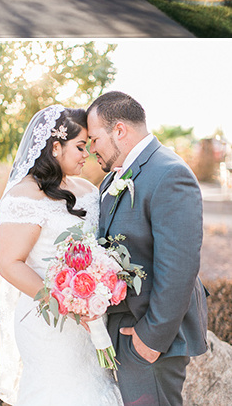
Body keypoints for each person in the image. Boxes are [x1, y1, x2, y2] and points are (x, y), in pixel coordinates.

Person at [0, 105, 122, 406]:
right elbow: (10, 265)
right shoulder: (23, 196)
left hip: (91, 317)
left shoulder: (88, 190)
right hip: (48, 323)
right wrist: (68, 303)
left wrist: (97, 291)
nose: (86, 154)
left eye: (88, 146)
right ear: (55, 146)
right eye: (79, 146)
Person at [87, 91, 208, 406]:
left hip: (150, 337)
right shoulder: (111, 179)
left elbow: (179, 266)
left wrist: (151, 339)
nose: (91, 148)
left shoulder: (169, 173)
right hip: (123, 332)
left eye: (94, 138)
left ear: (120, 131)